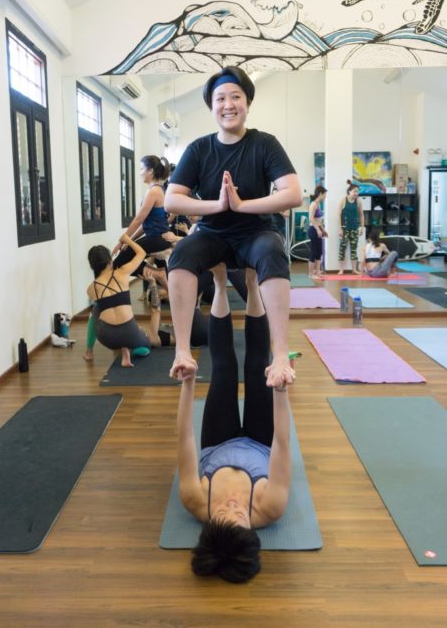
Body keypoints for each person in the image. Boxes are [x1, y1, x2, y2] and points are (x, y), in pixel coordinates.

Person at [164, 65, 302, 388]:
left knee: (272, 251)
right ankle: (182, 351)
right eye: (220, 98)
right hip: (213, 234)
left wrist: (242, 206)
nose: (228, 105)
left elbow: (293, 193)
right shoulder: (199, 149)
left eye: (235, 97)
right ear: (212, 107)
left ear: (247, 103)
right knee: (181, 253)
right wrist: (218, 206)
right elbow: (171, 200)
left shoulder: (264, 144)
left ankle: (280, 355)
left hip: (256, 233)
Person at [176, 265, 294, 583]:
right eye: (239, 516)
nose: (231, 506)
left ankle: (218, 281)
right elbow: (283, 443)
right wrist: (281, 390)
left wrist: (188, 384)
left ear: (211, 526)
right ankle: (253, 285)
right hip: (260, 442)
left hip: (217, 442)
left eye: (222, 515)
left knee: (223, 366)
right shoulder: (271, 507)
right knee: (258, 363)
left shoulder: (194, 499)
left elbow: (185, 438)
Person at [87, 235, 150, 367]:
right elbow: (142, 253)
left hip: (108, 338)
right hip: (130, 332)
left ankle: (89, 352)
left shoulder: (91, 289)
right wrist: (127, 240)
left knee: (96, 309)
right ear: (110, 260)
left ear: (93, 266)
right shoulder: (123, 272)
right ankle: (129, 348)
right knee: (145, 344)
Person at [337, 182, 364, 275]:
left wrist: (362, 227)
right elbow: (339, 215)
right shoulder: (343, 200)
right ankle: (341, 269)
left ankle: (354, 269)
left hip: (354, 228)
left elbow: (361, 215)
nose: (356, 193)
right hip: (344, 228)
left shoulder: (358, 202)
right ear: (349, 191)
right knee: (342, 249)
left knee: (354, 249)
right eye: (354, 191)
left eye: (357, 192)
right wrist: (339, 228)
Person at [308, 185, 328, 279]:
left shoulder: (318, 204)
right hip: (313, 230)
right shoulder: (313, 204)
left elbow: (318, 220)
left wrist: (323, 230)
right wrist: (317, 229)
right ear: (320, 194)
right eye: (325, 194)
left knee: (319, 252)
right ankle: (311, 274)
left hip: (318, 229)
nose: (325, 196)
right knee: (314, 252)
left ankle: (318, 272)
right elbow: (311, 218)